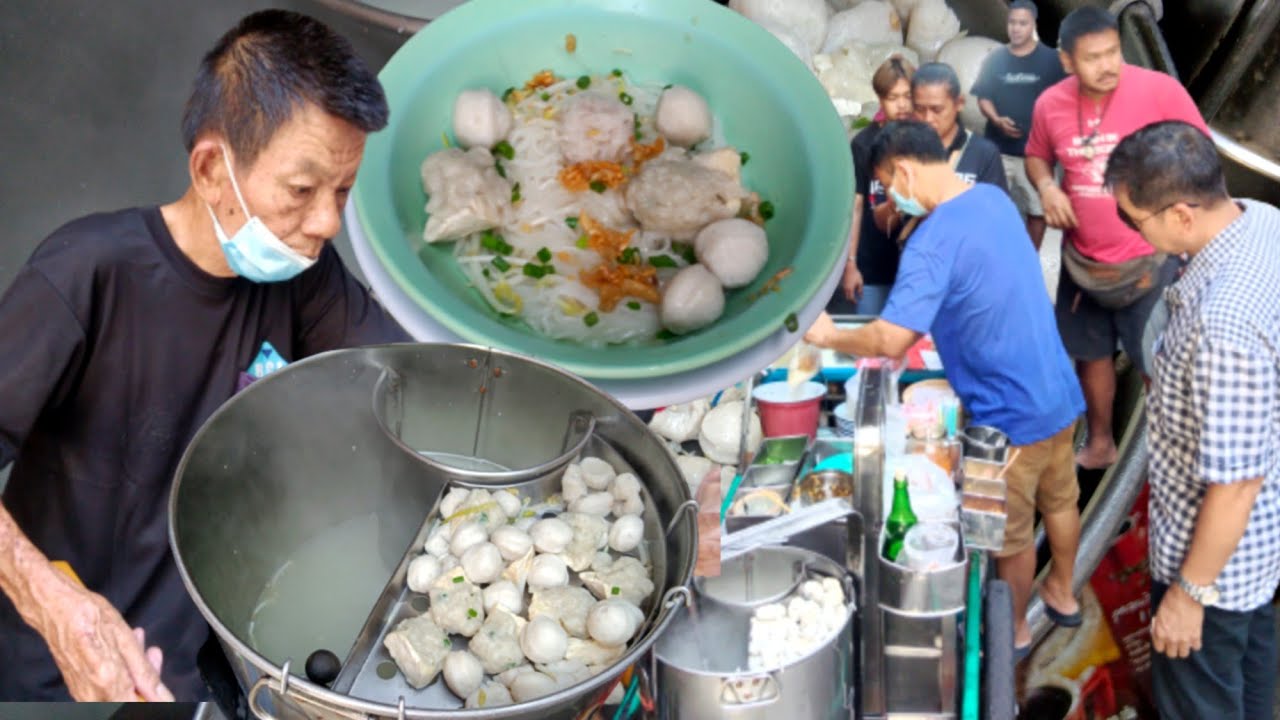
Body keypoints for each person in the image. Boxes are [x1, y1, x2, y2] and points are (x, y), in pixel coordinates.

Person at [0, 10, 409, 701]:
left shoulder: (305, 279)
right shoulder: (86, 276)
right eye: (302, 190)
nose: (328, 223)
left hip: (194, 664)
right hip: (50, 670)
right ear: (213, 168)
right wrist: (52, 604)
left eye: (342, 191)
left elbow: (405, 387)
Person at [804, 120, 1085, 656]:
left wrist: (827, 333)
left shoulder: (934, 240)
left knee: (1011, 536)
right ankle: (1064, 593)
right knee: (1061, 499)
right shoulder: (991, 200)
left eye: (889, 185)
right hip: (1057, 391)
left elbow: (891, 339)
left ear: (904, 171)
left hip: (1009, 417)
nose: (891, 198)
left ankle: (1015, 633)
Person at [1104, 120, 1280, 720]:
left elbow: (1235, 485)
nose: (1133, 232)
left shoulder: (1222, 324)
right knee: (1253, 694)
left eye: (1135, 219)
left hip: (1214, 575)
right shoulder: (1260, 221)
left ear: (1181, 214)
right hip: (1257, 556)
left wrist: (1188, 595)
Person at [1024, 7, 1208, 469]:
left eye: (1113, 53)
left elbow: (1200, 149)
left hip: (1148, 259)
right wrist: (1047, 186)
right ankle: (1101, 442)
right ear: (1067, 61)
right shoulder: (1050, 105)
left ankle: (1170, 455)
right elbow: (1036, 156)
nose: (1107, 66)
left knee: (1158, 361)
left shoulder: (1159, 91)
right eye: (1093, 58)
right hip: (1082, 262)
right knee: (1091, 357)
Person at [970, 0, 1066, 249]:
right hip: (999, 151)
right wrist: (996, 119)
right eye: (1012, 22)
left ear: (1032, 24)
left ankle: (1028, 258)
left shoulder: (1052, 61)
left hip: (1036, 155)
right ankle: (987, 254)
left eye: (1022, 23)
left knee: (1038, 211)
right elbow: (983, 98)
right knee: (987, 206)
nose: (1016, 28)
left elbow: (1066, 100)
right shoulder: (996, 59)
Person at [832, 56, 915, 317]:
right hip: (871, 271)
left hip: (914, 273)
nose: (901, 105)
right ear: (880, 99)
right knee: (868, 345)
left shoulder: (925, 143)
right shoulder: (863, 144)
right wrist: (850, 265)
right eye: (893, 98)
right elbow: (855, 208)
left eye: (907, 96)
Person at [911, 63, 1008, 191]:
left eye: (937, 109)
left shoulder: (984, 153)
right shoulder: (902, 149)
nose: (928, 118)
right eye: (920, 109)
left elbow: (997, 208)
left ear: (959, 103)